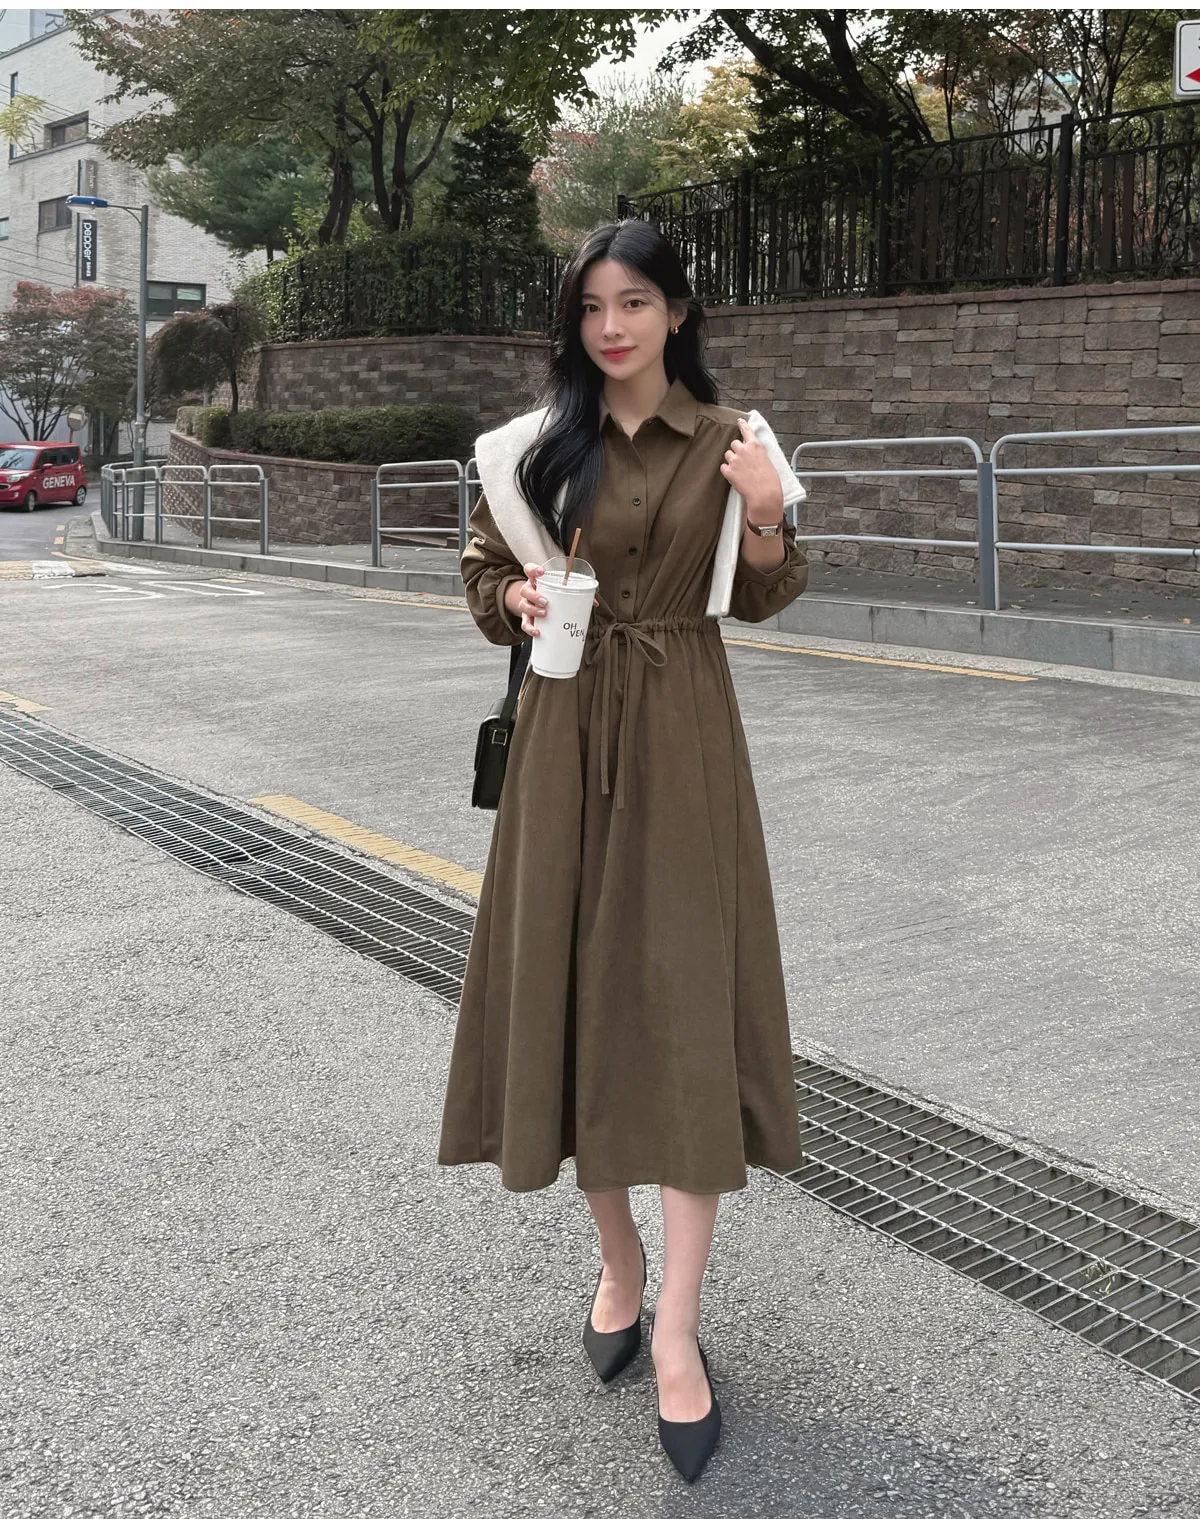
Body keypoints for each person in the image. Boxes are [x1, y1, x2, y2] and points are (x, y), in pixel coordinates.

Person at [437, 218, 810, 1483]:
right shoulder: (533, 448)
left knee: (688, 1007)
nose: (612, 326)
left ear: (678, 312)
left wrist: (767, 517)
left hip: (685, 732)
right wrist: (517, 595)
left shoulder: (734, 441)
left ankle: (681, 1330)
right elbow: (481, 569)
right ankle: (619, 1262)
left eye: (636, 301)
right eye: (592, 306)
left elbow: (768, 590)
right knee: (575, 997)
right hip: (563, 737)